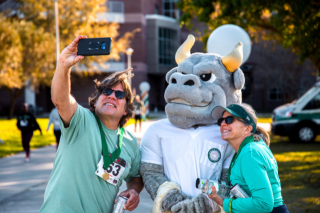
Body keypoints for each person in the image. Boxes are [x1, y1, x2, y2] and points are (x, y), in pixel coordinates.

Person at [40, 36, 143, 213]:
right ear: (95, 101)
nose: (112, 96)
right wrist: (63, 65)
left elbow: (136, 176)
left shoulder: (130, 142)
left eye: (119, 95)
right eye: (107, 91)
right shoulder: (80, 120)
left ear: (126, 109)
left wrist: (133, 190)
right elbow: (60, 99)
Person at [208, 103, 289, 213]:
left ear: (247, 129)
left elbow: (263, 204)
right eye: (221, 121)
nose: (222, 124)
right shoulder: (251, 147)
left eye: (229, 119)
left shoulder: (249, 153)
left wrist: (224, 203)